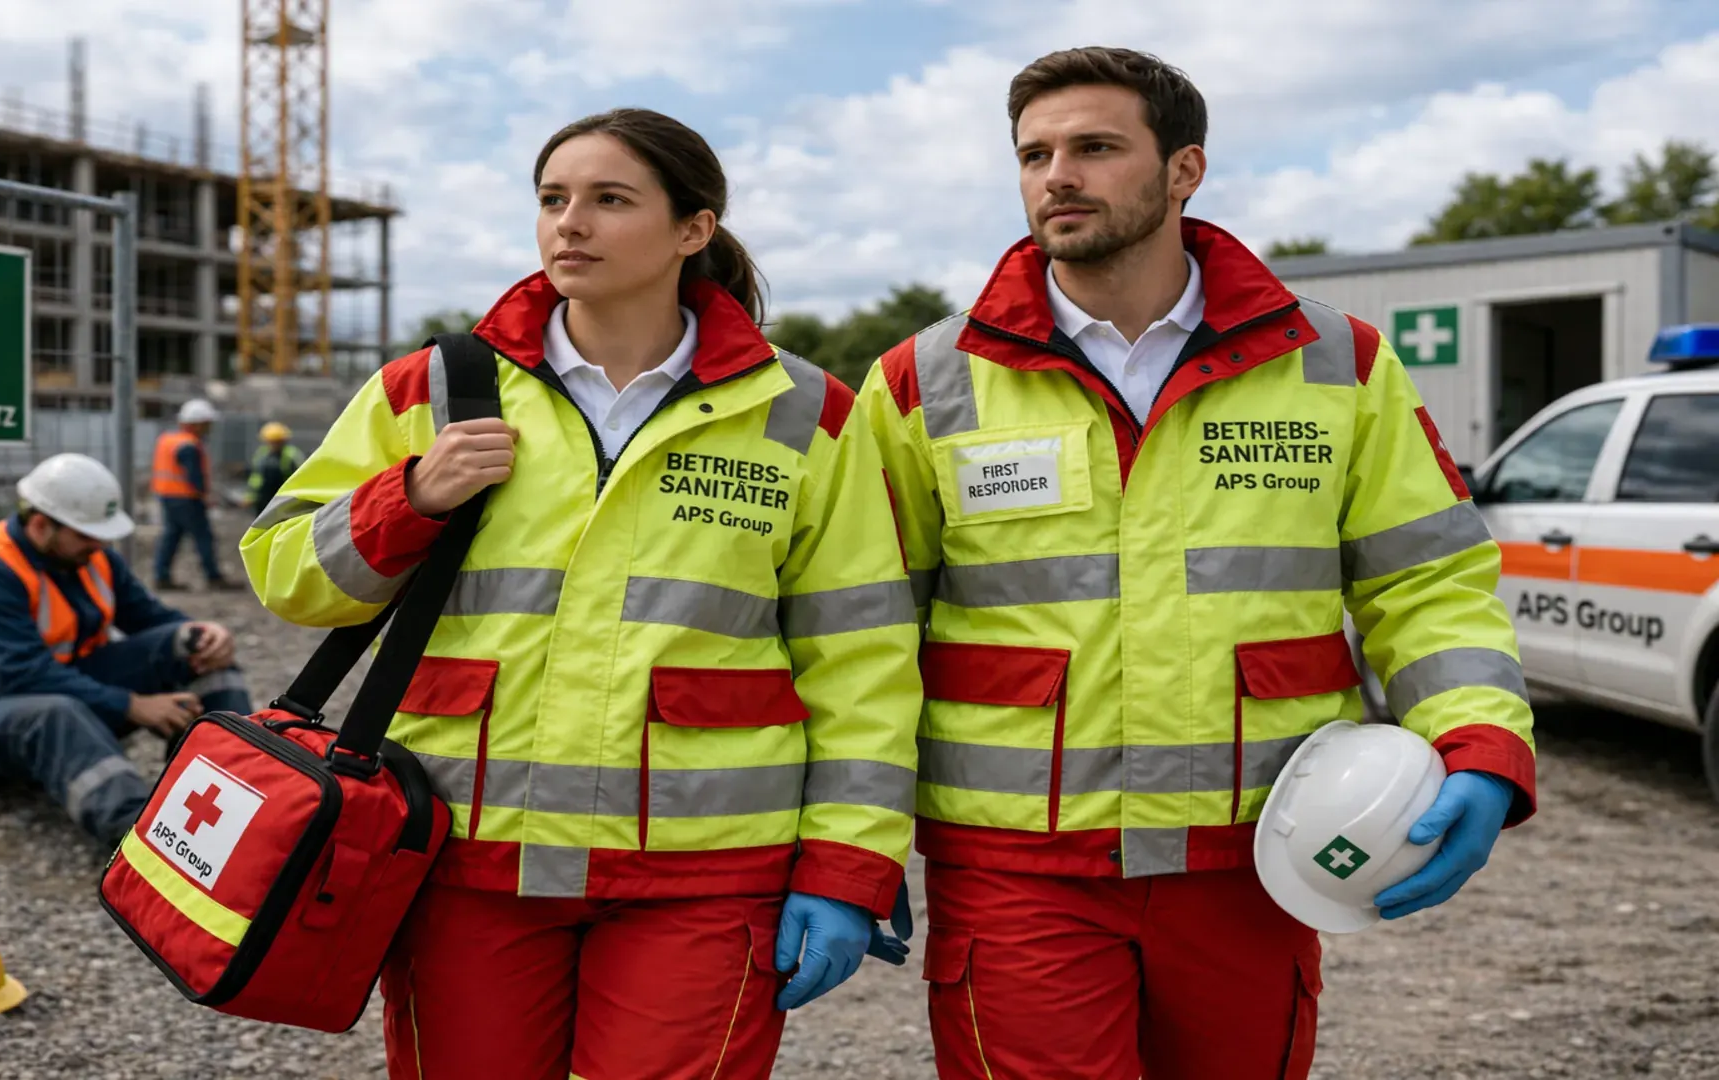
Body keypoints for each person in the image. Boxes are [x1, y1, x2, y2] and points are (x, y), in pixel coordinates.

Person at [858, 47, 1537, 1080]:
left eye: (1094, 147)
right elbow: (859, 629)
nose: (1057, 177)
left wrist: (1480, 739)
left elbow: (1425, 581)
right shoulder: (927, 380)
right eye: (1034, 153)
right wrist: (852, 841)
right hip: (1019, 869)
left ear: (1185, 170)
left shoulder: (1332, 361)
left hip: (1256, 855)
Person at [244, 108, 920, 1079]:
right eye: (554, 200)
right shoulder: (434, 387)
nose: (571, 224)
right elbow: (284, 576)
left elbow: (863, 658)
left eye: (609, 200)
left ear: (694, 229)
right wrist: (413, 494)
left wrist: (850, 867)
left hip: (707, 872)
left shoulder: (806, 411)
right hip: (468, 861)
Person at [0, 453, 253, 847]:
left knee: (192, 647)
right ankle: (141, 845)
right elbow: (24, 674)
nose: (99, 544)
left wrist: (205, 631)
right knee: (57, 714)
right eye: (87, 535)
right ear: (40, 526)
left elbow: (151, 618)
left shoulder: (88, 556)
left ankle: (239, 785)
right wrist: (132, 704)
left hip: (58, 683)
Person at [151, 398, 233, 590]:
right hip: (186, 498)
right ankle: (213, 577)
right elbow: (194, 476)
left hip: (167, 496)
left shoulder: (168, 440)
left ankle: (161, 576)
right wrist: (204, 495)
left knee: (172, 536)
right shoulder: (188, 445)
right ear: (196, 424)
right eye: (206, 424)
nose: (208, 428)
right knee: (203, 536)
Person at [247, 421, 303, 515]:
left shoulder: (291, 455)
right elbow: (256, 477)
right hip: (263, 497)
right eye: (271, 442)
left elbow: (299, 477)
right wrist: (250, 496)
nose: (274, 445)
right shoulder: (262, 454)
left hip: (284, 497)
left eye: (277, 442)